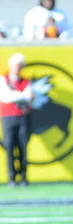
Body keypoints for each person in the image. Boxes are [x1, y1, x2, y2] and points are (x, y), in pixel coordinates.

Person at [0, 54, 33, 188]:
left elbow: (29, 97)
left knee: (23, 147)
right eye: (15, 65)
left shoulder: (26, 81)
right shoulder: (4, 79)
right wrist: (20, 96)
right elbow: (5, 96)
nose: (17, 68)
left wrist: (17, 96)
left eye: (19, 66)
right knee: (9, 146)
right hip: (8, 117)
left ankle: (23, 177)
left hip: (23, 117)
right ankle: (12, 177)